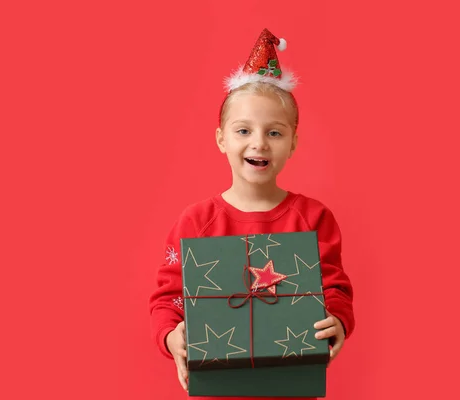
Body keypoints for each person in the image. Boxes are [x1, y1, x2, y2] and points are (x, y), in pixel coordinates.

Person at [149, 28, 354, 400]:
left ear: (293, 141)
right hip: (219, 388)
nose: (258, 142)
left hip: (292, 385)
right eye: (244, 130)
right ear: (221, 138)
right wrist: (170, 334)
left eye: (274, 133)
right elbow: (168, 297)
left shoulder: (314, 217)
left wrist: (337, 320)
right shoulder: (196, 221)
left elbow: (334, 288)